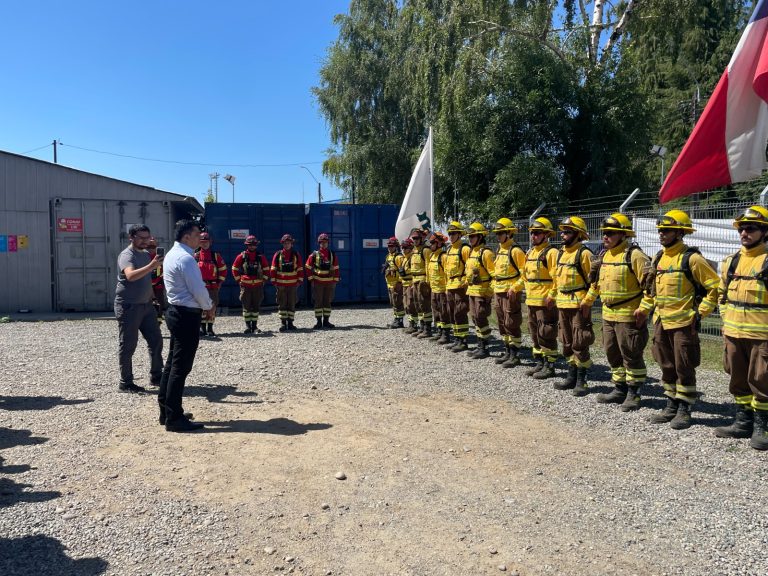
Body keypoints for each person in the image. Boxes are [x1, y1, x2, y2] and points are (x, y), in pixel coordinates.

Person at [637, 209, 719, 430]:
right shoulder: (659, 257)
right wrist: (644, 309)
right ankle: (671, 404)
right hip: (661, 322)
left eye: (667, 230)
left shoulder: (692, 259)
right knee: (666, 365)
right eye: (661, 230)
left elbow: (715, 288)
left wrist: (700, 313)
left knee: (684, 366)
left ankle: (684, 408)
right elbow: (651, 290)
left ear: (681, 232)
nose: (662, 233)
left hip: (683, 324)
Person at [580, 213, 653, 411]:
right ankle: (619, 389)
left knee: (631, 354)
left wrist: (644, 309)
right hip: (608, 315)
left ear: (623, 235)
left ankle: (634, 393)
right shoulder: (604, 255)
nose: (605, 236)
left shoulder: (635, 256)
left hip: (628, 316)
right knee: (612, 353)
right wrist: (587, 301)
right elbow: (596, 284)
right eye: (604, 232)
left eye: (610, 233)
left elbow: (650, 287)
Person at [714, 206, 768, 450]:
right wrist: (726, 321)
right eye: (741, 229)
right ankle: (743, 421)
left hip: (761, 335)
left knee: (762, 381)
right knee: (737, 379)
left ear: (764, 232)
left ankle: (762, 426)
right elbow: (722, 296)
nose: (744, 233)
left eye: (751, 228)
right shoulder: (731, 261)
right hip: (734, 334)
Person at [158, 219, 212, 432]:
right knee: (180, 367)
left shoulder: (173, 254)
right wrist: (209, 306)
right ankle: (174, 418)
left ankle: (167, 411)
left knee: (172, 364)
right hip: (186, 315)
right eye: (197, 234)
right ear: (187, 236)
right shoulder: (186, 259)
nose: (200, 238)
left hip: (176, 312)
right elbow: (198, 289)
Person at [114, 224, 164, 393]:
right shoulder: (126, 255)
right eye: (141, 238)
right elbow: (130, 275)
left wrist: (153, 297)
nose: (145, 241)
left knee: (156, 340)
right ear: (131, 238)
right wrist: (151, 266)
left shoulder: (145, 254)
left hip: (146, 305)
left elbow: (147, 279)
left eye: (147, 237)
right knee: (128, 345)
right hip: (129, 306)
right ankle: (126, 382)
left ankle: (157, 376)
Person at [512, 217, 559, 379]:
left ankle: (550, 365)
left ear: (546, 235)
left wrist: (552, 296)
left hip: (545, 302)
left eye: (537, 233)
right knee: (534, 333)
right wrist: (515, 288)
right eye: (532, 233)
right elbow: (525, 277)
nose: (533, 236)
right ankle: (539, 362)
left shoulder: (551, 253)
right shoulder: (530, 253)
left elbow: (557, 279)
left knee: (546, 332)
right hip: (531, 300)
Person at [553, 216, 594, 395]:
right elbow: (556, 279)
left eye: (567, 232)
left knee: (580, 342)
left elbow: (595, 282)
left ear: (578, 234)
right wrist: (553, 296)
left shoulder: (584, 254)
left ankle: (582, 380)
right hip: (562, 303)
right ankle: (571, 376)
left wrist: (587, 301)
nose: (563, 235)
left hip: (578, 305)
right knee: (567, 341)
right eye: (563, 231)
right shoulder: (561, 253)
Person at [492, 218, 526, 367]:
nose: (498, 236)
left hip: (510, 292)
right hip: (498, 291)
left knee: (511, 322)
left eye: (500, 233)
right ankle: (507, 351)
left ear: (509, 233)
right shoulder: (499, 249)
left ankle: (515, 354)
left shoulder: (516, 251)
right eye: (497, 233)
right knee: (502, 323)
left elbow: (525, 274)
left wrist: (515, 288)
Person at [464, 222, 496, 359]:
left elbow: (494, 276)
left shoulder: (486, 253)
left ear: (481, 237)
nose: (470, 239)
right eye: (469, 237)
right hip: (472, 291)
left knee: (481, 319)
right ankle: (480, 346)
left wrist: (489, 293)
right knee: (475, 319)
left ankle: (485, 347)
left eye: (473, 236)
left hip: (482, 293)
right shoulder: (472, 252)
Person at [231, 235, 270, 334]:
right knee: (246, 306)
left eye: (254, 245)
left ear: (256, 245)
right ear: (247, 245)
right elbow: (234, 268)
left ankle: (255, 326)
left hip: (257, 286)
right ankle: (248, 327)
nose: (252, 246)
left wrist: (264, 280)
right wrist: (239, 280)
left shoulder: (261, 257)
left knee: (256, 307)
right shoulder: (241, 256)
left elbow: (266, 269)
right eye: (250, 245)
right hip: (246, 286)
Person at [444, 222, 471, 351]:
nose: (451, 236)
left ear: (460, 234)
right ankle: (457, 338)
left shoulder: (465, 249)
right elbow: (446, 270)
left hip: (460, 286)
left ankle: (463, 340)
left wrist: (465, 282)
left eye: (454, 233)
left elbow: (470, 267)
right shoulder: (449, 249)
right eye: (450, 233)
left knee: (460, 312)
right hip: (450, 285)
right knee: (452, 313)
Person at [194, 232, 227, 337]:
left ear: (210, 242)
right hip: (200, 287)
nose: (204, 244)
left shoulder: (215, 256)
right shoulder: (196, 256)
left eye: (206, 242)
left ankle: (210, 329)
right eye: (202, 242)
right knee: (202, 308)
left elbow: (223, 270)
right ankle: (203, 329)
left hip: (213, 286)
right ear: (199, 243)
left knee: (212, 307)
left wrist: (219, 282)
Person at [305, 233, 340, 329]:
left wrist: (335, 281)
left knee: (327, 302)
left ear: (328, 243)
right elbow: (307, 267)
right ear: (319, 243)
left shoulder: (332, 254)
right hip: (318, 283)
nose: (324, 244)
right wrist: (311, 279)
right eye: (322, 242)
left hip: (329, 283)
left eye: (325, 242)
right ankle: (319, 322)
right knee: (318, 302)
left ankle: (326, 321)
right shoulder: (314, 254)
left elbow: (336, 268)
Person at [270, 234, 304, 332]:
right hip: (281, 285)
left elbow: (300, 268)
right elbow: (273, 268)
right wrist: (274, 281)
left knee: (291, 303)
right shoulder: (278, 254)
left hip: (293, 285)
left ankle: (291, 323)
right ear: (282, 244)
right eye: (285, 243)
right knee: (282, 304)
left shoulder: (296, 254)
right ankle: (283, 323)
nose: (287, 245)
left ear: (291, 244)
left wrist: (299, 280)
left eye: (288, 243)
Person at [408, 228, 433, 337]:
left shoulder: (425, 250)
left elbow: (428, 267)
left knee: (425, 305)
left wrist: (428, 282)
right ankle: (421, 327)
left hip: (422, 281)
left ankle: (427, 329)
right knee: (418, 305)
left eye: (417, 238)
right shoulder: (414, 251)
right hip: (414, 281)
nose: (415, 240)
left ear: (422, 239)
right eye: (413, 238)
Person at [426, 231, 449, 342]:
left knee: (444, 312)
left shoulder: (443, 257)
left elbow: (447, 274)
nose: (430, 245)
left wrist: (447, 290)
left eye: (432, 243)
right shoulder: (432, 256)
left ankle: (445, 334)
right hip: (434, 289)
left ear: (439, 243)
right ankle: (439, 331)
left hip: (442, 290)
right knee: (436, 311)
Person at [383, 236, 405, 328]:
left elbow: (403, 272)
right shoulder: (388, 256)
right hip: (390, 284)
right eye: (389, 246)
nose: (390, 247)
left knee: (398, 302)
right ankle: (396, 319)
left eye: (392, 246)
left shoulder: (399, 257)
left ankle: (400, 321)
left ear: (396, 247)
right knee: (393, 303)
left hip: (396, 284)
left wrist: (399, 283)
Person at [399, 239, 418, 332]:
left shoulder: (412, 258)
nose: (403, 249)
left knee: (411, 305)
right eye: (402, 248)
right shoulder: (404, 258)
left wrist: (413, 284)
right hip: (404, 284)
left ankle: (414, 325)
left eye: (405, 248)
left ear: (410, 248)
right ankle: (411, 323)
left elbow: (415, 272)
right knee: (406, 305)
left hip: (410, 284)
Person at [146, 237, 166, 324]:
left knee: (160, 302)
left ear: (156, 246)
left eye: (153, 246)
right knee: (147, 303)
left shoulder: (160, 257)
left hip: (158, 283)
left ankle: (158, 321)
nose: (151, 248)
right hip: (146, 284)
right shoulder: (143, 256)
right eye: (149, 246)